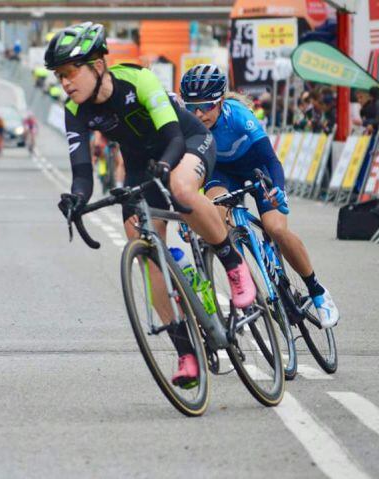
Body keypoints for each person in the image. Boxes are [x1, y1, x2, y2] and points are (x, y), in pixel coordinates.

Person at [48, 23, 255, 387]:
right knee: (138, 242)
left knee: (181, 187)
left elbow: (172, 135)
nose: (65, 83)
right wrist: (76, 198)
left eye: (70, 73)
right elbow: (82, 172)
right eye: (59, 76)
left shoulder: (136, 81)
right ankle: (186, 353)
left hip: (186, 142)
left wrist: (166, 164)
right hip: (142, 163)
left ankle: (232, 262)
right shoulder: (74, 110)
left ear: (98, 66)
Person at [180, 64, 340, 329]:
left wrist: (277, 188)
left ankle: (318, 292)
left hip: (258, 169)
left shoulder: (239, 116)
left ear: (220, 102)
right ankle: (244, 288)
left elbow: (270, 159)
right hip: (222, 173)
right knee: (215, 222)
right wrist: (190, 214)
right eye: (191, 107)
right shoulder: (189, 126)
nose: (198, 113)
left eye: (206, 106)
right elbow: (188, 171)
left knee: (276, 228)